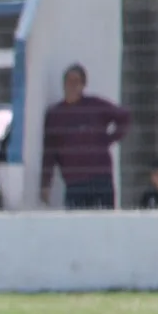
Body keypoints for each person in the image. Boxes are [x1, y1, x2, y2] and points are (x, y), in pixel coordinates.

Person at [41, 63, 132, 209]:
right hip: (74, 181)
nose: (72, 86)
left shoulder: (94, 106)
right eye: (69, 82)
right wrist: (45, 183)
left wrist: (108, 140)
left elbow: (124, 116)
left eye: (76, 82)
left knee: (104, 223)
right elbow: (49, 152)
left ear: (83, 85)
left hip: (100, 179)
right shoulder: (55, 115)